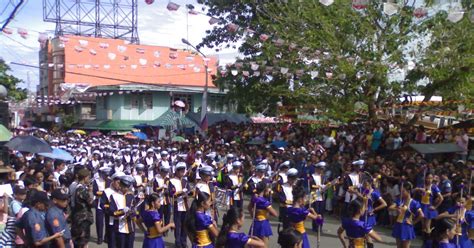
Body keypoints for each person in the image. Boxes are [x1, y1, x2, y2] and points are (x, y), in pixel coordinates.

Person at [389, 182, 424, 248]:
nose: (401, 193)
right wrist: (396, 208)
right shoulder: (400, 201)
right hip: (398, 225)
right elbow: (390, 208)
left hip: (407, 227)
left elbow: (421, 215)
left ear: (408, 191)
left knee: (405, 247)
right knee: (398, 246)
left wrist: (413, 222)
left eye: (403, 191)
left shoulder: (414, 203)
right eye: (401, 191)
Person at [416, 172, 443, 246]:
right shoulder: (422, 185)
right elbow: (414, 191)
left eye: (431, 178)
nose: (429, 180)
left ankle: (428, 244)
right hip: (421, 207)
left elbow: (441, 198)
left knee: (427, 227)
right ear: (425, 178)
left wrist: (435, 206)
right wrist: (418, 189)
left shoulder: (434, 187)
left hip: (428, 208)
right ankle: (424, 242)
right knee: (423, 226)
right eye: (428, 178)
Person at [109, 175, 136, 248]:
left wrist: (132, 213)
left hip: (130, 227)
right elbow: (112, 211)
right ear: (120, 185)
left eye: (127, 187)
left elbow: (135, 209)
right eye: (124, 186)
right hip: (119, 227)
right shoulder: (113, 196)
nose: (126, 188)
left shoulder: (131, 196)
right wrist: (122, 211)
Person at [248, 181, 277, 247]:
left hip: (255, 222)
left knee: (254, 244)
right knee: (264, 245)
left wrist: (253, 215)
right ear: (265, 189)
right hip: (263, 224)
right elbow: (275, 214)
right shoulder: (264, 201)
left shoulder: (254, 198)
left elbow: (249, 208)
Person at [70, 168, 94, 248]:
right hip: (83, 218)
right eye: (88, 177)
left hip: (80, 217)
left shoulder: (80, 187)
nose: (89, 179)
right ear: (85, 177)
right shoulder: (81, 189)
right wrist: (90, 191)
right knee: (82, 240)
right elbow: (91, 202)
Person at [169, 162, 189, 248]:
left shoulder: (185, 181)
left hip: (185, 205)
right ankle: (178, 242)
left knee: (185, 224)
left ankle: (183, 241)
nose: (182, 172)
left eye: (183, 170)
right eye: (181, 170)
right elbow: (171, 193)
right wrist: (180, 193)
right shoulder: (172, 181)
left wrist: (189, 193)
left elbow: (189, 191)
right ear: (176, 171)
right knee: (178, 225)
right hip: (177, 205)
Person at [92, 166, 112, 244]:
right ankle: (99, 238)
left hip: (108, 202)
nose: (106, 176)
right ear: (101, 174)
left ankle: (106, 237)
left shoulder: (110, 181)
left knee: (108, 220)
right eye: (104, 175)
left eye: (107, 175)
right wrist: (103, 193)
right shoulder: (96, 181)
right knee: (99, 221)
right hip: (99, 202)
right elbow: (95, 191)